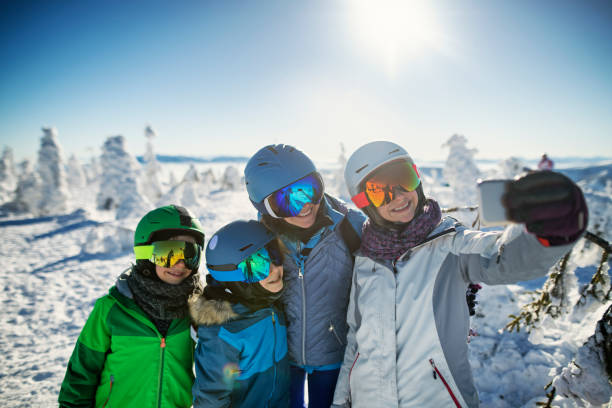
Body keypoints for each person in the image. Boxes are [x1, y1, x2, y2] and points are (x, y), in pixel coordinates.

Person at [332, 141, 588, 408]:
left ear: (416, 178)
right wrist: (341, 402)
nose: (398, 195)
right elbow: (355, 339)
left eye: (403, 179)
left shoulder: (450, 244)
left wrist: (552, 230)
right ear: (364, 203)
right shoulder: (365, 259)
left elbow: (505, 258)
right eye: (378, 191)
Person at [244, 144, 365, 408]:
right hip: (282, 356)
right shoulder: (259, 241)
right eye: (286, 201)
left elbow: (390, 262)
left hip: (335, 353)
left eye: (309, 189)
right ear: (266, 207)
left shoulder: (351, 226)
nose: (305, 206)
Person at [58, 205, 205, 407]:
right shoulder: (112, 309)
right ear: (145, 253)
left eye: (190, 253)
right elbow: (82, 373)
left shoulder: (199, 308)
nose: (180, 264)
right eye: (169, 253)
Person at [191, 220, 289, 407]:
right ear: (232, 279)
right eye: (258, 266)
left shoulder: (271, 302)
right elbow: (210, 398)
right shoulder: (224, 332)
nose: (275, 270)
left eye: (276, 254)